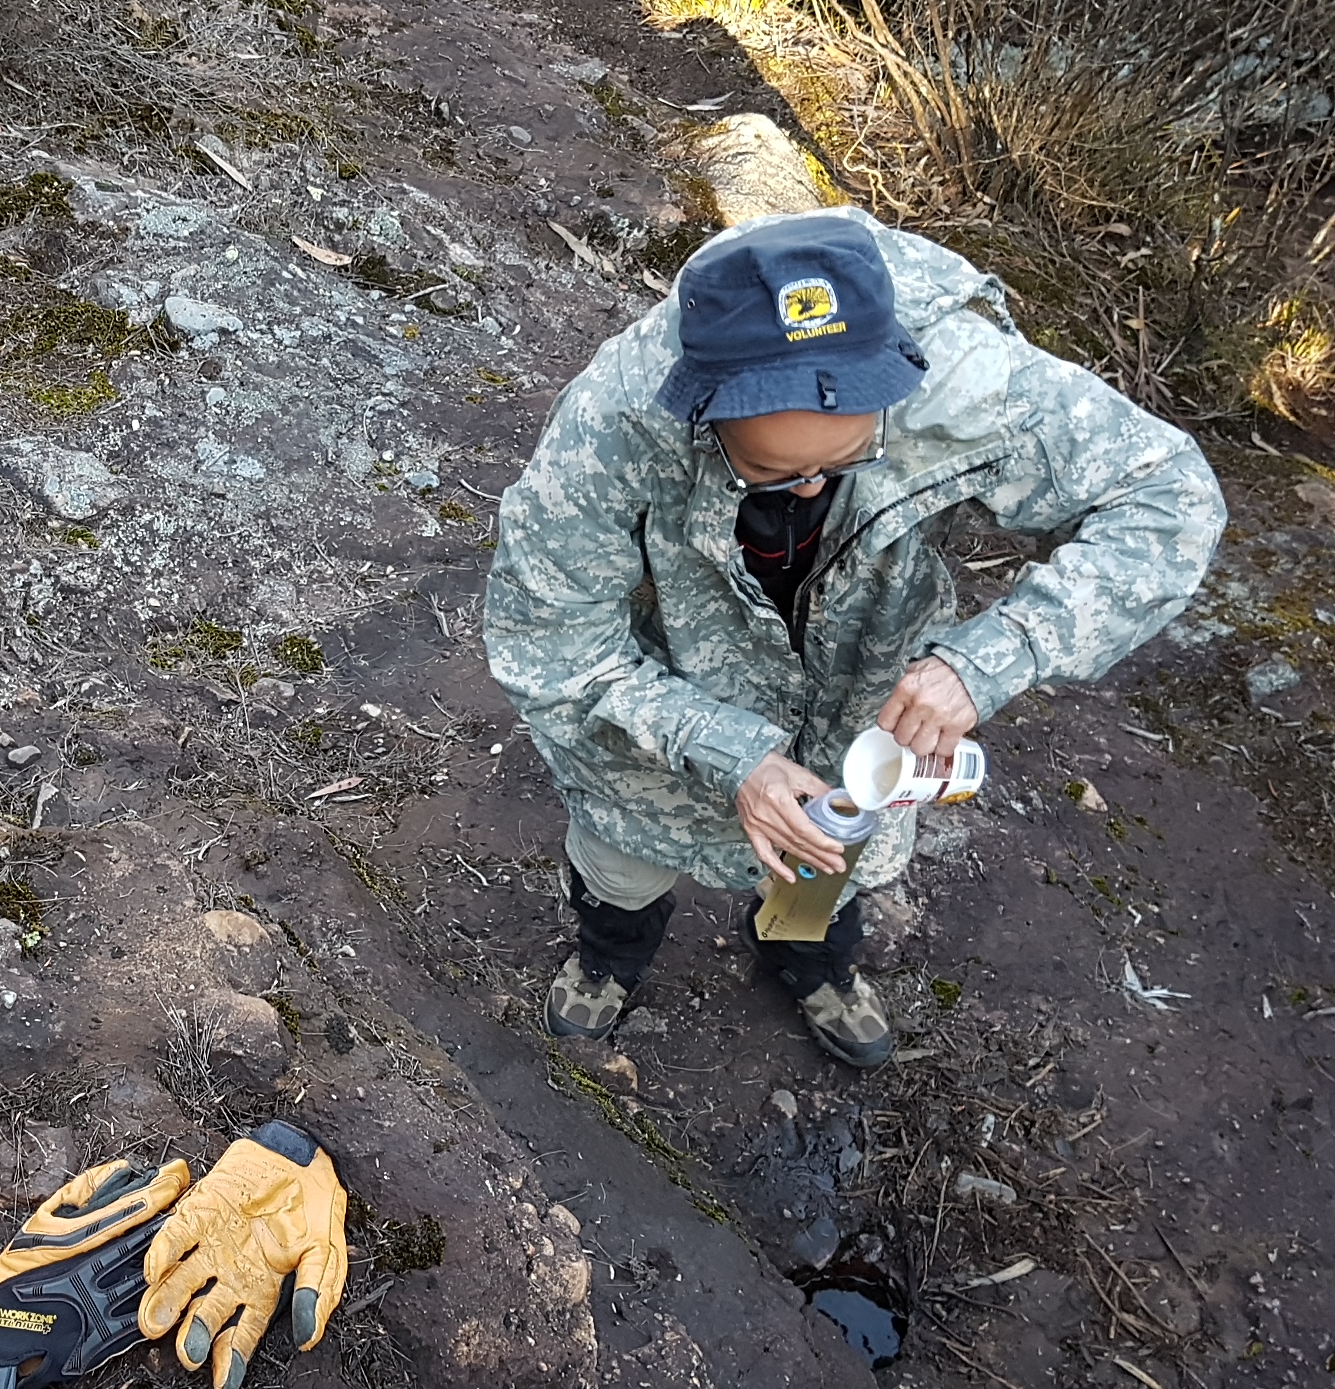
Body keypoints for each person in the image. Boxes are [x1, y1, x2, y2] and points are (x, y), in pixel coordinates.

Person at [484, 207, 1225, 1067]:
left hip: (854, 710)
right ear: (703, 410)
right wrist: (729, 753)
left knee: (829, 863)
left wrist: (989, 659)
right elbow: (552, 646)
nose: (805, 492)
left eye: (840, 464)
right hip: (657, 716)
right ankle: (609, 955)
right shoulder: (615, 427)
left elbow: (1170, 497)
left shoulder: (959, 377)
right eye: (767, 472)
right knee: (622, 861)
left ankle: (809, 958)